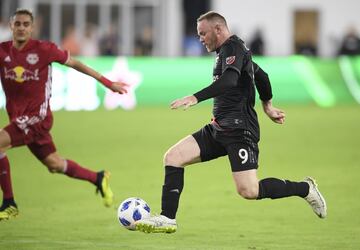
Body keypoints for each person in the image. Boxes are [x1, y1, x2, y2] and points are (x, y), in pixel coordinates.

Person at [135, 11, 327, 234]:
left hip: (240, 130)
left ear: (218, 29)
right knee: (173, 157)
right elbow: (261, 75)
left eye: (202, 33)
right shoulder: (227, 53)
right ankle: (168, 218)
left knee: (249, 190)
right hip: (219, 128)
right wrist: (268, 105)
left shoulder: (232, 47)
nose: (200, 39)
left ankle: (305, 188)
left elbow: (229, 80)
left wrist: (196, 97)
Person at [0, 9, 129, 221]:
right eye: (17, 24)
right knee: (55, 164)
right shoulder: (2, 51)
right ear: (11, 27)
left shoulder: (44, 49)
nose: (21, 28)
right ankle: (98, 177)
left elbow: (76, 64)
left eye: (25, 24)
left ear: (32, 28)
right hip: (18, 119)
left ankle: (9, 202)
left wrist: (107, 83)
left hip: (37, 118)